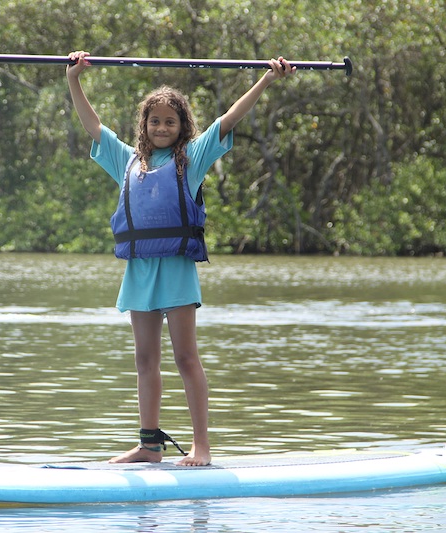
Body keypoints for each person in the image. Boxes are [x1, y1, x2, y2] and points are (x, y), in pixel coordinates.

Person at [67, 51, 295, 466]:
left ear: (182, 127)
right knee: (144, 360)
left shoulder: (191, 159)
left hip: (175, 269)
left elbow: (228, 119)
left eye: (170, 122)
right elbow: (93, 125)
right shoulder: (127, 161)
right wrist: (74, 80)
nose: (161, 128)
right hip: (140, 271)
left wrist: (266, 80)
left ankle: (201, 445)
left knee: (186, 357)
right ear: (144, 125)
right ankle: (149, 445)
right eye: (154, 121)